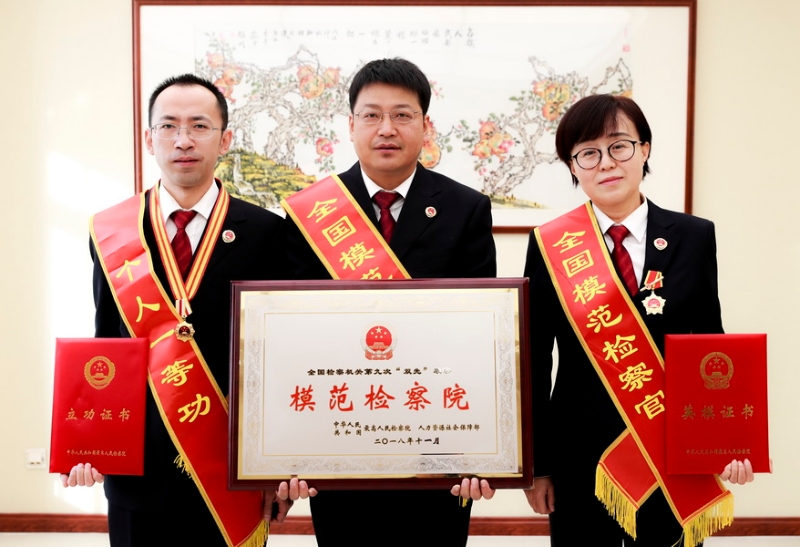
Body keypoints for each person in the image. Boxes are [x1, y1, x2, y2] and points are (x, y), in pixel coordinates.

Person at [59, 73, 307, 546]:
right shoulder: (113, 232)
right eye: (169, 126)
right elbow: (106, 344)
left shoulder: (267, 232)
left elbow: (280, 358)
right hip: (137, 472)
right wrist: (88, 442)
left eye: (199, 126)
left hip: (231, 470)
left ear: (224, 139)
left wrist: (279, 465)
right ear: (149, 138)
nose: (183, 140)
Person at [523, 93, 756, 547]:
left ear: (644, 149)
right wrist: (539, 467)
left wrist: (727, 442)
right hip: (581, 453)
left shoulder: (693, 235)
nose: (606, 163)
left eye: (619, 146)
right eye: (588, 153)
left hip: (670, 445)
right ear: (572, 166)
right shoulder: (550, 244)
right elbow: (535, 360)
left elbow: (711, 344)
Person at [281, 57, 497, 546]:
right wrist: (290, 450)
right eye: (371, 115)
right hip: (339, 434)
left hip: (438, 440)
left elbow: (480, 335)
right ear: (350, 125)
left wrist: (480, 450)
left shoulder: (465, 208)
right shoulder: (311, 212)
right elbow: (294, 338)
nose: (386, 129)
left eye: (402, 115)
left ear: (425, 125)